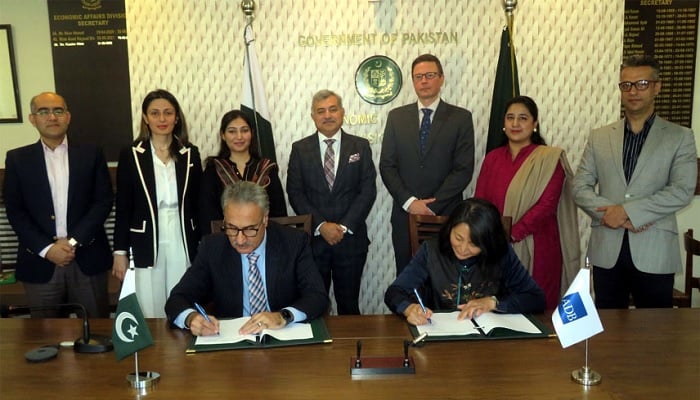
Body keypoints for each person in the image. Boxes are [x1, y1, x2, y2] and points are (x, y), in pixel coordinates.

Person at [573, 55, 697, 309]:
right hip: (607, 248)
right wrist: (610, 214)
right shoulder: (600, 136)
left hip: (655, 248)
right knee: (608, 332)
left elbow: (681, 191)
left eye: (641, 84)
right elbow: (579, 186)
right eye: (626, 85)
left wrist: (628, 212)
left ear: (656, 87)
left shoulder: (680, 137)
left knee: (653, 335)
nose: (633, 91)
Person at [165, 181, 328, 336]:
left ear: (265, 219)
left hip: (283, 341)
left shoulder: (294, 243)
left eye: (250, 229)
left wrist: (283, 316)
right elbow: (177, 299)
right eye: (232, 228)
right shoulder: (212, 248)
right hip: (233, 344)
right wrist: (191, 319)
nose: (240, 240)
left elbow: (317, 296)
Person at [3, 92, 113, 317]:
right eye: (43, 111)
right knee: (45, 340)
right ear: (32, 119)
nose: (52, 117)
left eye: (58, 111)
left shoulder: (91, 154)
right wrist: (47, 249)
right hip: (40, 261)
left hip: (87, 259)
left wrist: (72, 242)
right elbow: (15, 211)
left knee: (97, 335)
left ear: (68, 116)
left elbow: (103, 202)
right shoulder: (17, 159)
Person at [474, 96, 579, 309]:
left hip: (538, 245)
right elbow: (480, 202)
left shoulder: (549, 158)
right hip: (496, 247)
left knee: (536, 306)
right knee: (497, 306)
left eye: (523, 118)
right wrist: (490, 238)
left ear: (535, 123)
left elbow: (546, 206)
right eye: (510, 118)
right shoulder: (492, 158)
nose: (515, 124)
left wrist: (511, 234)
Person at [379, 53, 475, 275]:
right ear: (412, 81)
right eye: (418, 76)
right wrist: (411, 202)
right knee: (408, 278)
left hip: (446, 215)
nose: (423, 81)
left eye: (430, 75)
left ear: (441, 78)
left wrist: (432, 205)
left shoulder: (461, 118)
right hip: (406, 216)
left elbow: (463, 169)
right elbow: (387, 166)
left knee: (445, 279)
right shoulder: (396, 117)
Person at [112, 89, 202, 318]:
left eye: (168, 113)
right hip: (145, 236)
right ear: (145, 118)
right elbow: (123, 207)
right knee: (150, 301)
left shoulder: (190, 153)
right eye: (155, 113)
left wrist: (204, 244)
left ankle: (182, 346)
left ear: (177, 117)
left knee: (181, 292)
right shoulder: (131, 154)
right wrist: (120, 252)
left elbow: (199, 203)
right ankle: (155, 352)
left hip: (182, 233)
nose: (162, 119)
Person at [384, 198, 545, 325]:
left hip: (490, 341)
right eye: (458, 238)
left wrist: (492, 303)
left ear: (488, 243)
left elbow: (535, 298)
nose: (463, 248)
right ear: (450, 229)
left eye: (474, 244)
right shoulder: (431, 250)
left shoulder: (501, 253)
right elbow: (395, 292)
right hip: (442, 335)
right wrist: (409, 308)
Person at [286, 90, 377, 315]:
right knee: (314, 307)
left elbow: (367, 190)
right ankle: (318, 350)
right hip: (314, 243)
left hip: (351, 241)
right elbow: (295, 192)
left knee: (349, 306)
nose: (327, 115)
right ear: (313, 116)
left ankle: (349, 350)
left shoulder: (360, 146)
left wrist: (343, 227)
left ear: (342, 112)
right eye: (321, 111)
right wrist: (321, 226)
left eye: (332, 109)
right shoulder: (300, 149)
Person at [200, 110, 287, 235]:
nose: (239, 136)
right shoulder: (213, 170)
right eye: (232, 131)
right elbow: (207, 216)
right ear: (223, 135)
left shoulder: (267, 169)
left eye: (244, 130)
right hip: (226, 241)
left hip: (264, 240)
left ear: (252, 133)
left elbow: (279, 214)